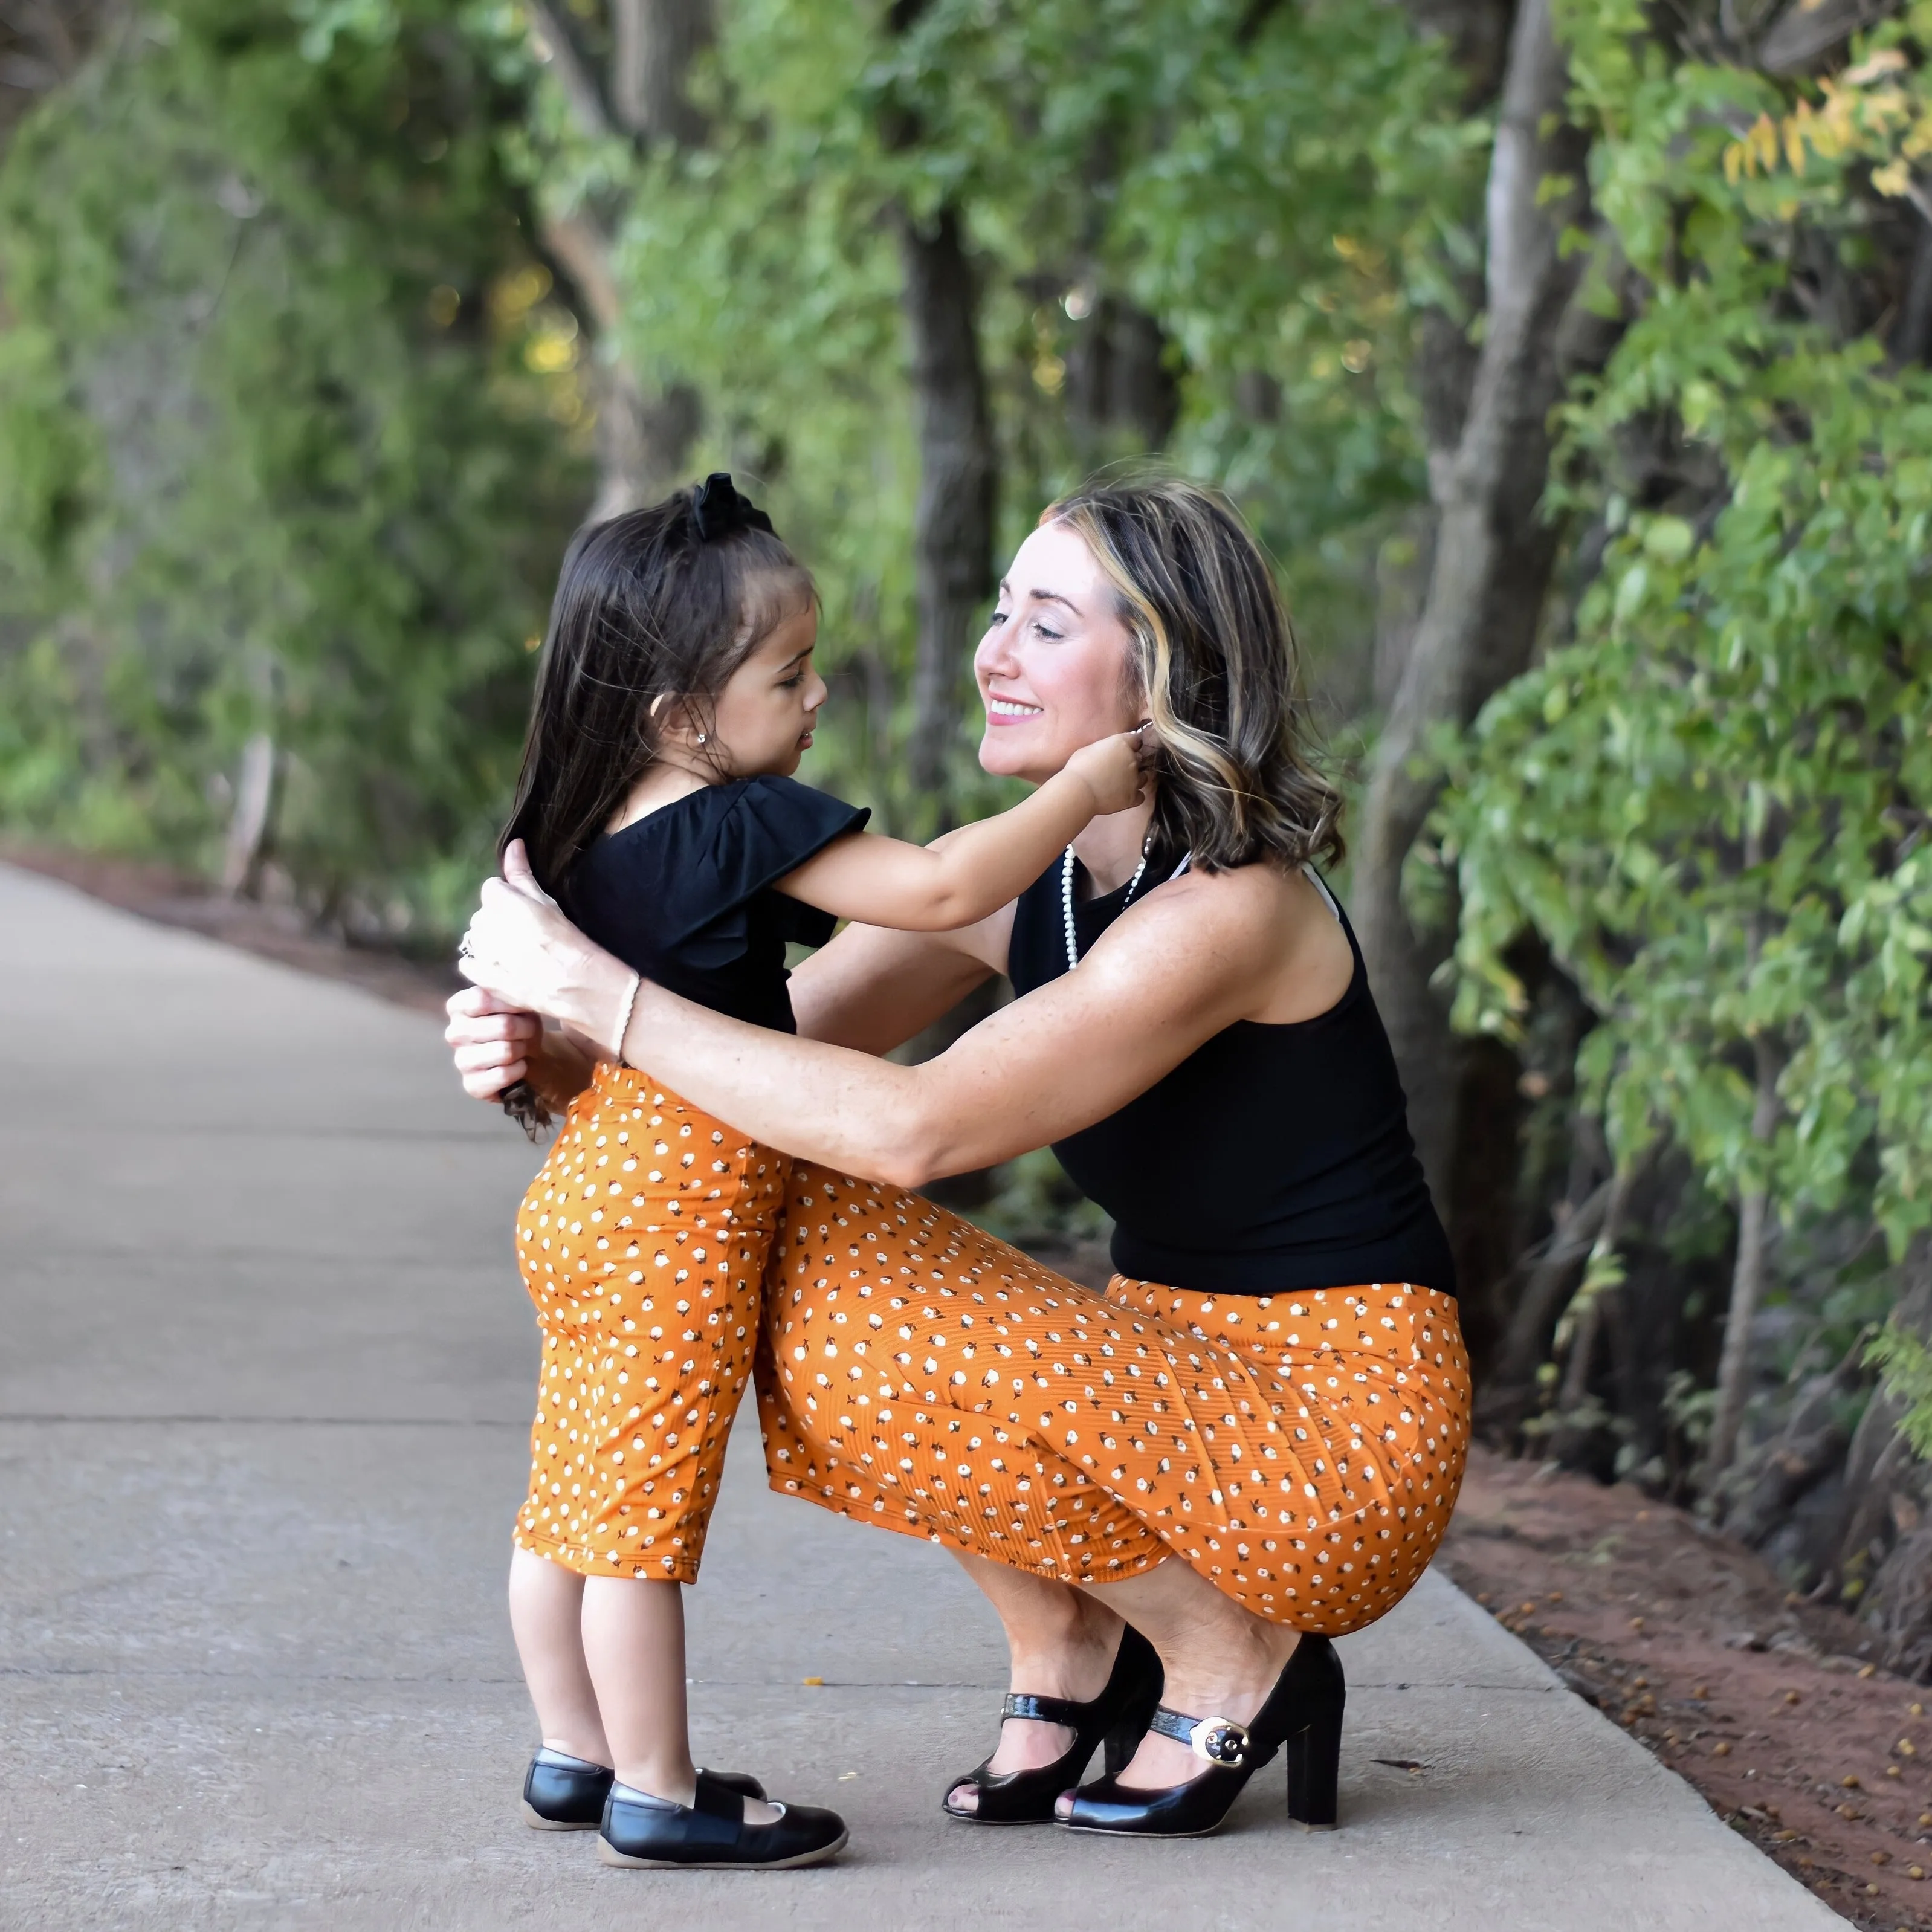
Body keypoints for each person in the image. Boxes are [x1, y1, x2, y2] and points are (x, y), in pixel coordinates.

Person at [450, 476, 1470, 1843]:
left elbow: (910, 1128)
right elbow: (763, 1062)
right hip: (1170, 1374)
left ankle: (1238, 1649)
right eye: (999, 612)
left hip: (1329, 1424)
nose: (992, 653)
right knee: (749, 1195)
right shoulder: (1031, 887)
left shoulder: (1230, 910)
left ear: (1163, 662)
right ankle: (1067, 1638)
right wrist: (551, 1041)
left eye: (1042, 623)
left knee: (809, 1228)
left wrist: (601, 989)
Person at [484, 473, 1151, 1870]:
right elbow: (941, 888)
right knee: (638, 1525)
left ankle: (572, 1747)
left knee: (569, 1487)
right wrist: (1091, 782)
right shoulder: (731, 824)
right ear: (683, 717)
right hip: (673, 1211)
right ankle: (659, 1786)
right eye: (789, 675)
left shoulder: (583, 824)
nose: (818, 694)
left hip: (588, 1187)